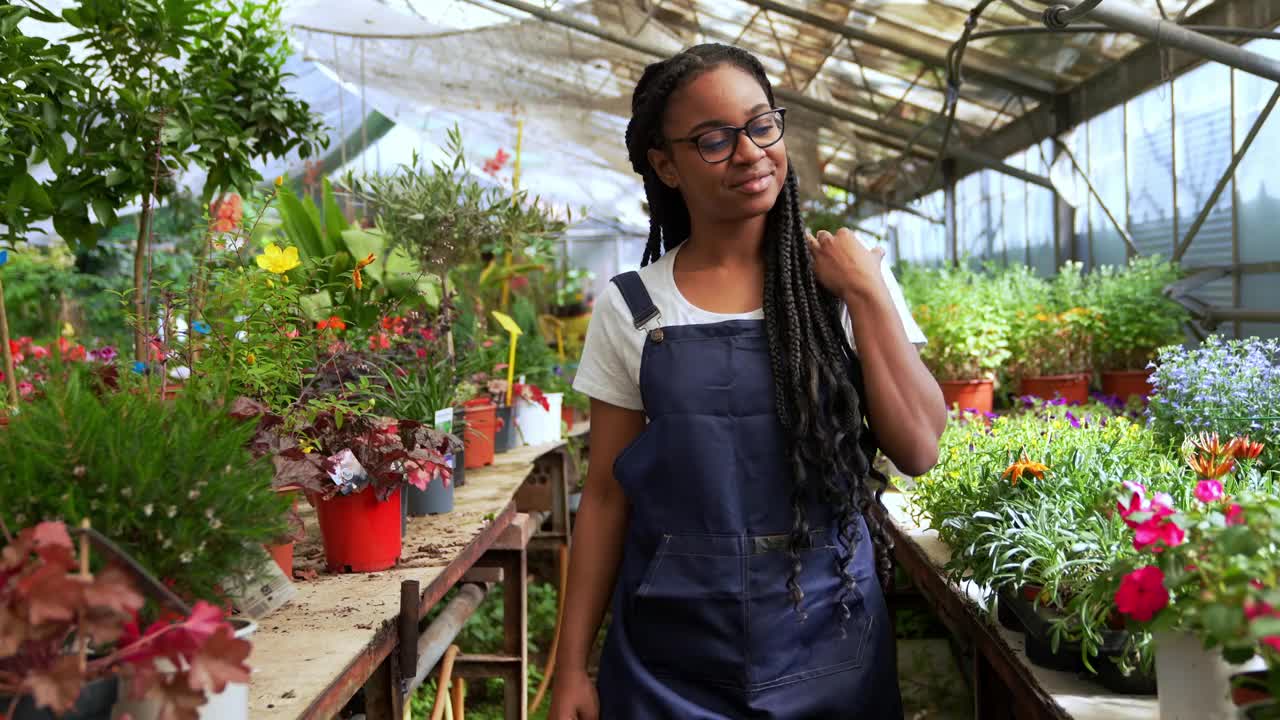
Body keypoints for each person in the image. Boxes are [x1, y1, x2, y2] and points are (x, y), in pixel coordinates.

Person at [550, 43, 947, 720]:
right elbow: (609, 496)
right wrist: (570, 669)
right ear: (665, 164)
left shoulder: (841, 284)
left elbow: (919, 449)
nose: (750, 152)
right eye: (714, 139)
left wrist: (867, 293)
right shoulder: (633, 306)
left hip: (830, 638)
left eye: (762, 125)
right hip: (668, 659)